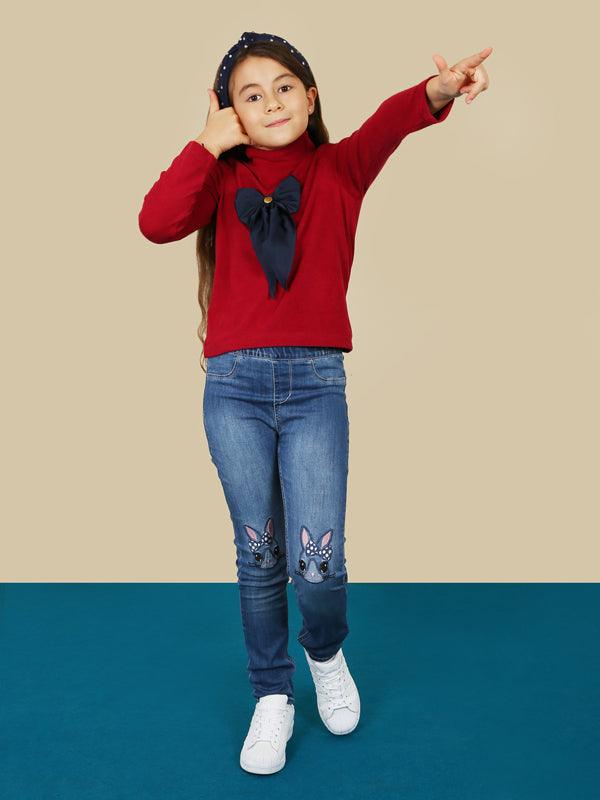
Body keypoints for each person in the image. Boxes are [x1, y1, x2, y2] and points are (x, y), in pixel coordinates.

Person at [138, 31, 491, 775]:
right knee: (259, 554)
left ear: (311, 95)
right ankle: (272, 694)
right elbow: (157, 221)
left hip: (314, 387)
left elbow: (391, 123)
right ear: (230, 112)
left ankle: (325, 653)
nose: (271, 104)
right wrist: (205, 143)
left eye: (284, 88)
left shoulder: (339, 170)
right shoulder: (219, 180)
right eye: (251, 96)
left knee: (319, 562)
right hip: (233, 389)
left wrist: (437, 92)